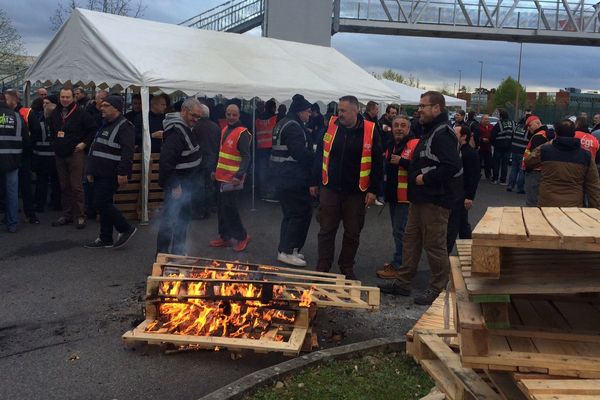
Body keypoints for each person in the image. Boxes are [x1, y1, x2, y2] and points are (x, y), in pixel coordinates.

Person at [379, 91, 462, 306]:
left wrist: (425, 179)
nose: (420, 109)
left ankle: (437, 287)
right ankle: (403, 283)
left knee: (434, 244)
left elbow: (452, 166)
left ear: (437, 108)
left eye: (423, 106)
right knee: (411, 240)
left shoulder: (442, 133)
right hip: (419, 199)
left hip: (435, 199)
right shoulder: (430, 131)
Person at [310, 95, 382, 279]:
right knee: (326, 229)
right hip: (330, 188)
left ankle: (347, 267)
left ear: (355, 110)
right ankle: (323, 266)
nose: (339, 114)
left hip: (356, 192)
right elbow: (320, 154)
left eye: (343, 111)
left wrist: (374, 190)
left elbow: (377, 162)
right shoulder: (331, 125)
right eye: (338, 110)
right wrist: (313, 181)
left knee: (352, 232)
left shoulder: (371, 130)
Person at [84, 95, 137, 248]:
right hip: (99, 171)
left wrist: (122, 173)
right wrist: (90, 170)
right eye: (102, 105)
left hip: (111, 173)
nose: (102, 107)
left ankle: (125, 228)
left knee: (100, 202)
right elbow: (96, 149)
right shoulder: (105, 124)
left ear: (116, 109)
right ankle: (105, 238)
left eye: (106, 105)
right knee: (103, 203)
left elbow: (128, 152)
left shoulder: (125, 126)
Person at [270, 94, 314, 267]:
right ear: (300, 111)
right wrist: (317, 156)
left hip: (283, 177)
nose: (309, 115)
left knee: (291, 214)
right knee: (298, 214)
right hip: (292, 177)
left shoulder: (283, 123)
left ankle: (289, 249)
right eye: (308, 112)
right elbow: (300, 154)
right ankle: (287, 251)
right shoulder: (294, 127)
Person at [156, 98, 203, 255]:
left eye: (199, 117)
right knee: (170, 221)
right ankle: (162, 256)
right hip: (178, 184)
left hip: (186, 183)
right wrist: (175, 185)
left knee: (183, 220)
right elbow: (166, 162)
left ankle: (177, 253)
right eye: (194, 116)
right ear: (184, 110)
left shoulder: (183, 127)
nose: (196, 120)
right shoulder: (177, 132)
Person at [376, 115, 418, 279]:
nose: (399, 128)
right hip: (393, 196)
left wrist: (403, 162)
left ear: (408, 128)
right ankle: (400, 262)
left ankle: (401, 267)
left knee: (401, 233)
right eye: (396, 126)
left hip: (406, 197)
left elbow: (421, 167)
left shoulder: (414, 144)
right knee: (398, 232)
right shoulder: (391, 144)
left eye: (403, 125)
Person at [49, 87, 97, 229]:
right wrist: (55, 144)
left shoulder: (81, 112)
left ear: (73, 98)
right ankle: (67, 215)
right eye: (62, 97)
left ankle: (81, 216)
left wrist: (84, 144)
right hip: (60, 154)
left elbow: (93, 129)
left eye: (67, 97)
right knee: (64, 186)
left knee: (76, 186)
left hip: (75, 153)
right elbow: (52, 130)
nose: (65, 100)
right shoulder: (55, 113)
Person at [525, 119, 600, 207]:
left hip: (547, 204)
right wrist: (595, 210)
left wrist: (548, 143)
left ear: (555, 133)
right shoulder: (586, 155)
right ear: (574, 134)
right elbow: (593, 185)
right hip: (573, 205)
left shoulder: (545, 150)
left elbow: (529, 161)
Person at [209, 103, 252, 252]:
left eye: (234, 114)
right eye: (229, 114)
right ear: (225, 115)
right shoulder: (225, 129)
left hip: (233, 179)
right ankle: (225, 236)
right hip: (222, 177)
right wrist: (214, 170)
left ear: (239, 115)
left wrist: (239, 175)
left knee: (230, 209)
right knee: (222, 209)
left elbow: (247, 157)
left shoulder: (242, 133)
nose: (231, 117)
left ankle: (242, 236)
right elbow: (220, 153)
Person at [4, 89, 41, 224]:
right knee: (9, 187)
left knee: (25, 186)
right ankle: (8, 215)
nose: (4, 102)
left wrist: (28, 147)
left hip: (23, 155)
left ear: (14, 99)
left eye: (6, 99)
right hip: (9, 155)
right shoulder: (5, 113)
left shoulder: (26, 112)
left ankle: (30, 214)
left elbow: (36, 131)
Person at [447, 125, 480, 254]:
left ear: (463, 136)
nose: (452, 135)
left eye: (455, 133)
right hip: (454, 193)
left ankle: (447, 253)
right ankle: (468, 250)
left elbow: (474, 177)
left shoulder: (470, 154)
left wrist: (469, 197)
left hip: (462, 194)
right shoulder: (457, 150)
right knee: (461, 223)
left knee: (454, 225)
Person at [0, 95, 25, 233]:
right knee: (12, 193)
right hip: (12, 160)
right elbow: (26, 140)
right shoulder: (17, 116)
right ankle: (12, 223)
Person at [191, 103, 220, 219]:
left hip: (198, 161)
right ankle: (209, 208)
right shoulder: (216, 127)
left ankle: (200, 212)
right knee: (209, 186)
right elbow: (218, 145)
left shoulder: (195, 127)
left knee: (198, 187)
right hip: (212, 160)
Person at [33, 97, 61, 213]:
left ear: (54, 105)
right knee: (41, 181)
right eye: (44, 103)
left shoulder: (58, 119)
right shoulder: (38, 117)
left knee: (56, 182)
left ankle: (56, 204)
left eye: (47, 103)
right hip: (41, 156)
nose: (45, 105)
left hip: (54, 156)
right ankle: (40, 204)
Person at [523, 115, 550, 206]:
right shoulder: (545, 134)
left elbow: (535, 157)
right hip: (542, 171)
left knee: (532, 202)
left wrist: (528, 166)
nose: (528, 129)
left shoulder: (538, 136)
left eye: (529, 126)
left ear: (537, 123)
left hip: (535, 172)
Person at [255, 99, 278, 201]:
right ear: (273, 108)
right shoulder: (275, 118)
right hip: (271, 149)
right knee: (271, 171)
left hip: (260, 148)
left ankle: (262, 192)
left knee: (262, 171)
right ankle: (271, 193)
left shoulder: (258, 118)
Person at [490, 109, 515, 184]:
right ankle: (503, 180)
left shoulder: (499, 124)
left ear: (501, 117)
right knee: (505, 164)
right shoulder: (513, 123)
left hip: (498, 147)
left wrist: (494, 144)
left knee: (496, 163)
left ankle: (495, 179)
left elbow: (492, 136)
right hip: (508, 147)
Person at [507, 112, 529, 194]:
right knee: (521, 170)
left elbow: (512, 137)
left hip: (514, 150)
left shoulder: (517, 127)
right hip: (522, 151)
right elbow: (528, 141)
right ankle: (519, 188)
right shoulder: (528, 130)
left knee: (513, 169)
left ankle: (510, 185)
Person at [478, 114, 493, 180]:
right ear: (482, 120)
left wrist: (490, 140)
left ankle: (488, 175)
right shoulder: (478, 126)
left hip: (488, 147)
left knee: (488, 162)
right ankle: (478, 174)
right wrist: (482, 139)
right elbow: (476, 136)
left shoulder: (491, 126)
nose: (487, 120)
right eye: (485, 119)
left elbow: (493, 135)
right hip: (480, 147)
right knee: (479, 162)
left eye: (488, 119)